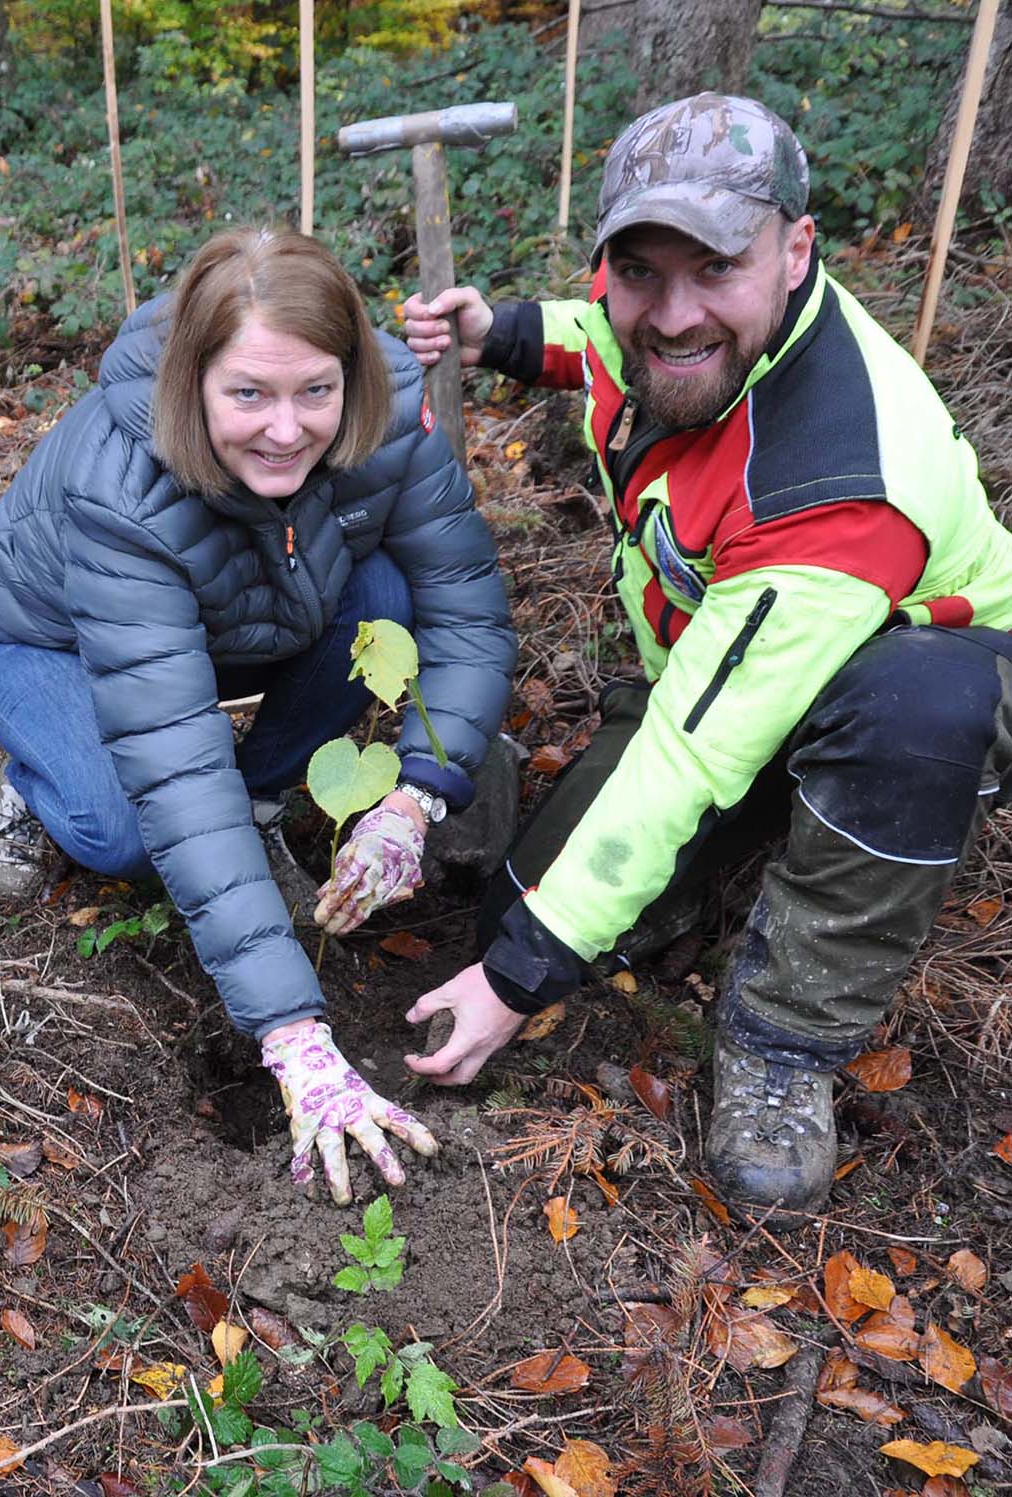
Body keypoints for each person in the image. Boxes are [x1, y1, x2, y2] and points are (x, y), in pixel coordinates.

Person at [399, 94, 1012, 1215]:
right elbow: (597, 335)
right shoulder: (654, 313)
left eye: (714, 270)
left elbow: (693, 749)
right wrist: (499, 336)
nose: (670, 314)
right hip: (724, 663)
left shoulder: (837, 479)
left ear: (794, 251)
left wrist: (512, 983)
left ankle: (786, 1040)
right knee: (520, 909)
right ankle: (706, 862)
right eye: (640, 270)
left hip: (914, 669)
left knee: (916, 705)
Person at [0, 225, 517, 1205]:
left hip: (245, 610)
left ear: (352, 373)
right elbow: (178, 768)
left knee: (383, 602)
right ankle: (40, 764)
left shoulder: (388, 419)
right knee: (124, 826)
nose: (285, 428)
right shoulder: (119, 489)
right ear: (191, 382)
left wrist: (417, 802)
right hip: (56, 643)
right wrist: (293, 1034)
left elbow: (466, 612)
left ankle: (260, 800)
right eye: (246, 395)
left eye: (314, 391)